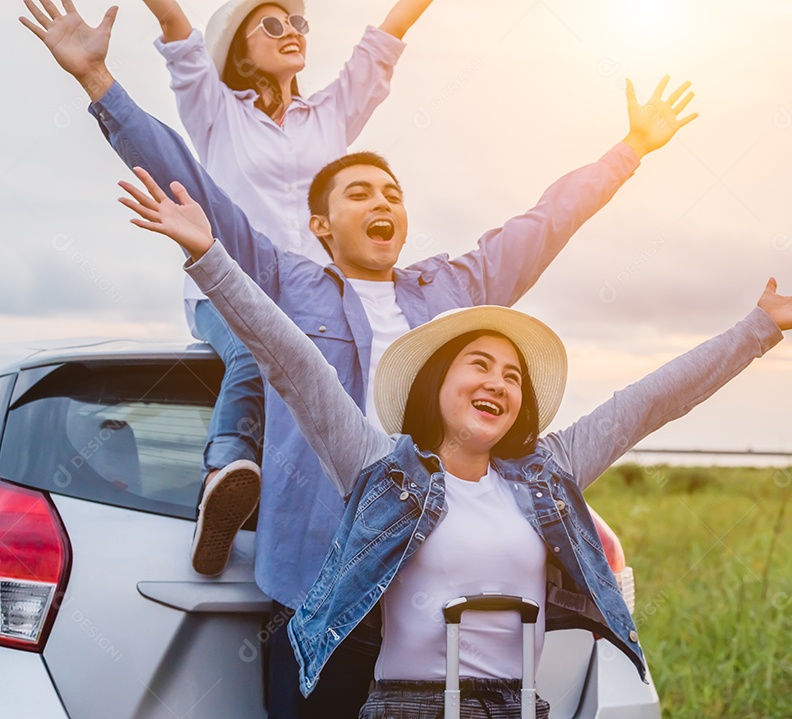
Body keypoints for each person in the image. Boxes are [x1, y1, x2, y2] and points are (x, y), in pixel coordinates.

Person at [20, 1, 699, 713]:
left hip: (437, 600)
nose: (383, 201)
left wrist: (629, 150)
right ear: (320, 224)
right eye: (359, 191)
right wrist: (100, 82)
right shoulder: (284, 283)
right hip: (322, 587)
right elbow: (197, 188)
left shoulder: (454, 290)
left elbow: (544, 222)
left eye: (392, 193)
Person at [118, 167, 792, 717]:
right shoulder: (377, 468)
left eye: (513, 375)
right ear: (438, 380)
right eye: (479, 364)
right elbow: (292, 363)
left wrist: (758, 328)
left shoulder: (549, 471)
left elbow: (650, 401)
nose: (498, 381)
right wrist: (208, 254)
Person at [131, 0, 435, 578]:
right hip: (228, 287)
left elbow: (384, 40)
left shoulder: (330, 115)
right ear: (240, 50)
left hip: (315, 304)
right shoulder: (215, 109)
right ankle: (224, 475)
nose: (291, 31)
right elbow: (177, 33)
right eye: (272, 23)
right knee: (257, 349)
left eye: (298, 22)